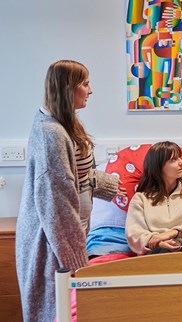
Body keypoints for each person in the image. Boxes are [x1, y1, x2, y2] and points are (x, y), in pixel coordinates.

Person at [15, 60, 123, 321]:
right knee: (55, 311)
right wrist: (77, 264)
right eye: (85, 84)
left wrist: (114, 186)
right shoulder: (50, 133)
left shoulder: (65, 123)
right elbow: (57, 206)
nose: (91, 90)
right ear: (68, 88)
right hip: (52, 243)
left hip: (65, 239)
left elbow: (78, 176)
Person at [126, 141, 182, 255]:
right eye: (173, 159)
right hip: (159, 250)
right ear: (158, 167)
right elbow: (134, 232)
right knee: (159, 254)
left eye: (180, 158)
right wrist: (158, 242)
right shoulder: (140, 199)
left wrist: (172, 233)